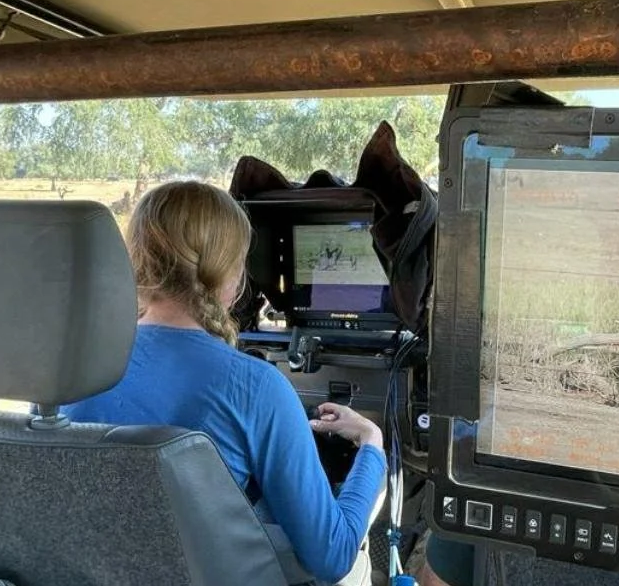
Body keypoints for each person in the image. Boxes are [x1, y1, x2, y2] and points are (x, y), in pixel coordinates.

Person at [60, 181, 387, 585]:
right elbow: (331, 555)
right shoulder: (256, 387)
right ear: (230, 274)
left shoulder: (67, 371)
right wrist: (372, 444)